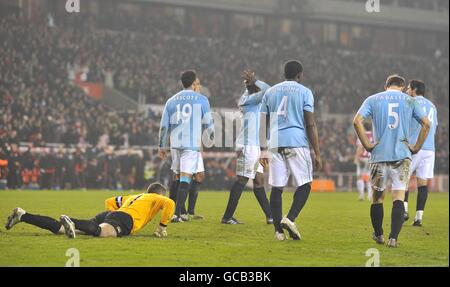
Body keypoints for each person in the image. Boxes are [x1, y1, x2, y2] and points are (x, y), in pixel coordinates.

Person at [353, 75, 430, 248]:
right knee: (398, 198)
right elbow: (426, 124)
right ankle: (393, 238)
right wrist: (416, 147)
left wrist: (367, 144)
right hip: (402, 156)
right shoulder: (409, 100)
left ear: (386, 85)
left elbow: (356, 121)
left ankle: (379, 235)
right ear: (402, 87)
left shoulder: (373, 99)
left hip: (379, 155)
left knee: (377, 198)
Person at [260, 60, 322, 241]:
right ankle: (290, 218)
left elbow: (262, 124)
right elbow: (310, 123)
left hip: (275, 143)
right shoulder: (305, 92)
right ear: (300, 75)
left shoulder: (270, 92)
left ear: (284, 73)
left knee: (276, 187)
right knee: (305, 183)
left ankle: (278, 232)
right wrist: (317, 152)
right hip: (296, 142)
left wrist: (263, 149)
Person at [5, 183, 174, 238]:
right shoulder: (156, 198)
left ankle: (23, 216)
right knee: (101, 232)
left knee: (60, 229)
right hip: (124, 219)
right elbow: (170, 203)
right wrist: (162, 226)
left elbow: (110, 201)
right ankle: (73, 221)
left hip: (113, 214)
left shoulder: (134, 196)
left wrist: (109, 217)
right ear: (158, 194)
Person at [158, 70, 214, 223]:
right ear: (193, 82)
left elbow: (164, 125)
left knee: (177, 176)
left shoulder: (171, 100)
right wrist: (210, 138)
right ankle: (177, 214)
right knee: (186, 177)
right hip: (191, 143)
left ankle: (177, 211)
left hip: (175, 144)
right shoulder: (202, 99)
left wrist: (162, 146)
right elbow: (209, 122)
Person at [221, 69, 273, 225]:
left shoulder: (254, 100)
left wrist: (254, 81)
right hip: (247, 146)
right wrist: (256, 81)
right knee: (242, 180)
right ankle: (227, 217)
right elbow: (269, 91)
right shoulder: (247, 99)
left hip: (255, 146)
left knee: (258, 181)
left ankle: (270, 216)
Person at [403, 80, 438, 227]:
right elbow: (433, 127)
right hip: (429, 149)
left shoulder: (410, 102)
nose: (406, 91)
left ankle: (404, 211)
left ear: (414, 90)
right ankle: (418, 218)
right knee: (422, 184)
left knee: (402, 180)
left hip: (414, 146)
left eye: (408, 88)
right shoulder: (432, 106)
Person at [354, 122, 373, 201]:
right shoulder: (374, 135)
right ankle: (369, 196)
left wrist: (356, 158)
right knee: (369, 177)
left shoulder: (361, 135)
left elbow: (360, 147)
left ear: (364, 127)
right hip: (370, 159)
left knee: (360, 177)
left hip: (362, 158)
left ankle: (361, 195)